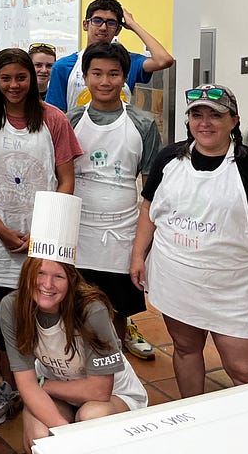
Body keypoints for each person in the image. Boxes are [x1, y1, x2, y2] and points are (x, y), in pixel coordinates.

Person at [130, 84, 248, 397]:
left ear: (233, 120)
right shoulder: (169, 160)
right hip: (176, 279)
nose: (204, 123)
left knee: (244, 370)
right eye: (197, 115)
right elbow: (149, 209)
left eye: (214, 115)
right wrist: (138, 255)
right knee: (186, 349)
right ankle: (193, 416)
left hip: (232, 289)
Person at [0, 48, 81, 425]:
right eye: (6, 78)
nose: (14, 85)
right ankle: (10, 384)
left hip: (43, 238)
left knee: (48, 310)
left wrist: (42, 231)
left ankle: (53, 383)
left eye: (21, 77)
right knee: (7, 313)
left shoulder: (54, 120)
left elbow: (66, 180)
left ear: (32, 78)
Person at [0, 192, 147, 451]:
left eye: (58, 276)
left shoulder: (92, 310)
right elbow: (26, 384)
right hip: (56, 389)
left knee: (89, 420)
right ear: (27, 273)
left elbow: (100, 390)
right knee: (42, 438)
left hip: (112, 394)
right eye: (40, 273)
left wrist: (46, 386)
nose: (47, 285)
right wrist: (63, 432)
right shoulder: (11, 307)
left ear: (72, 279)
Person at [66, 42, 161, 361]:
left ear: (124, 78)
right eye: (97, 73)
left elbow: (150, 190)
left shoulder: (143, 124)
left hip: (122, 234)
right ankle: (76, 367)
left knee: (119, 310)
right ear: (85, 75)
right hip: (79, 233)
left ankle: (114, 365)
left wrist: (144, 244)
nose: (104, 81)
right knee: (76, 307)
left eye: (113, 74)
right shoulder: (70, 120)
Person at [45, 0, 174, 113]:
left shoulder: (128, 61)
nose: (103, 27)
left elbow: (164, 60)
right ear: (85, 25)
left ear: (118, 30)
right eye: (97, 20)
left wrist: (133, 25)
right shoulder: (63, 66)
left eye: (111, 23)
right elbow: (55, 116)